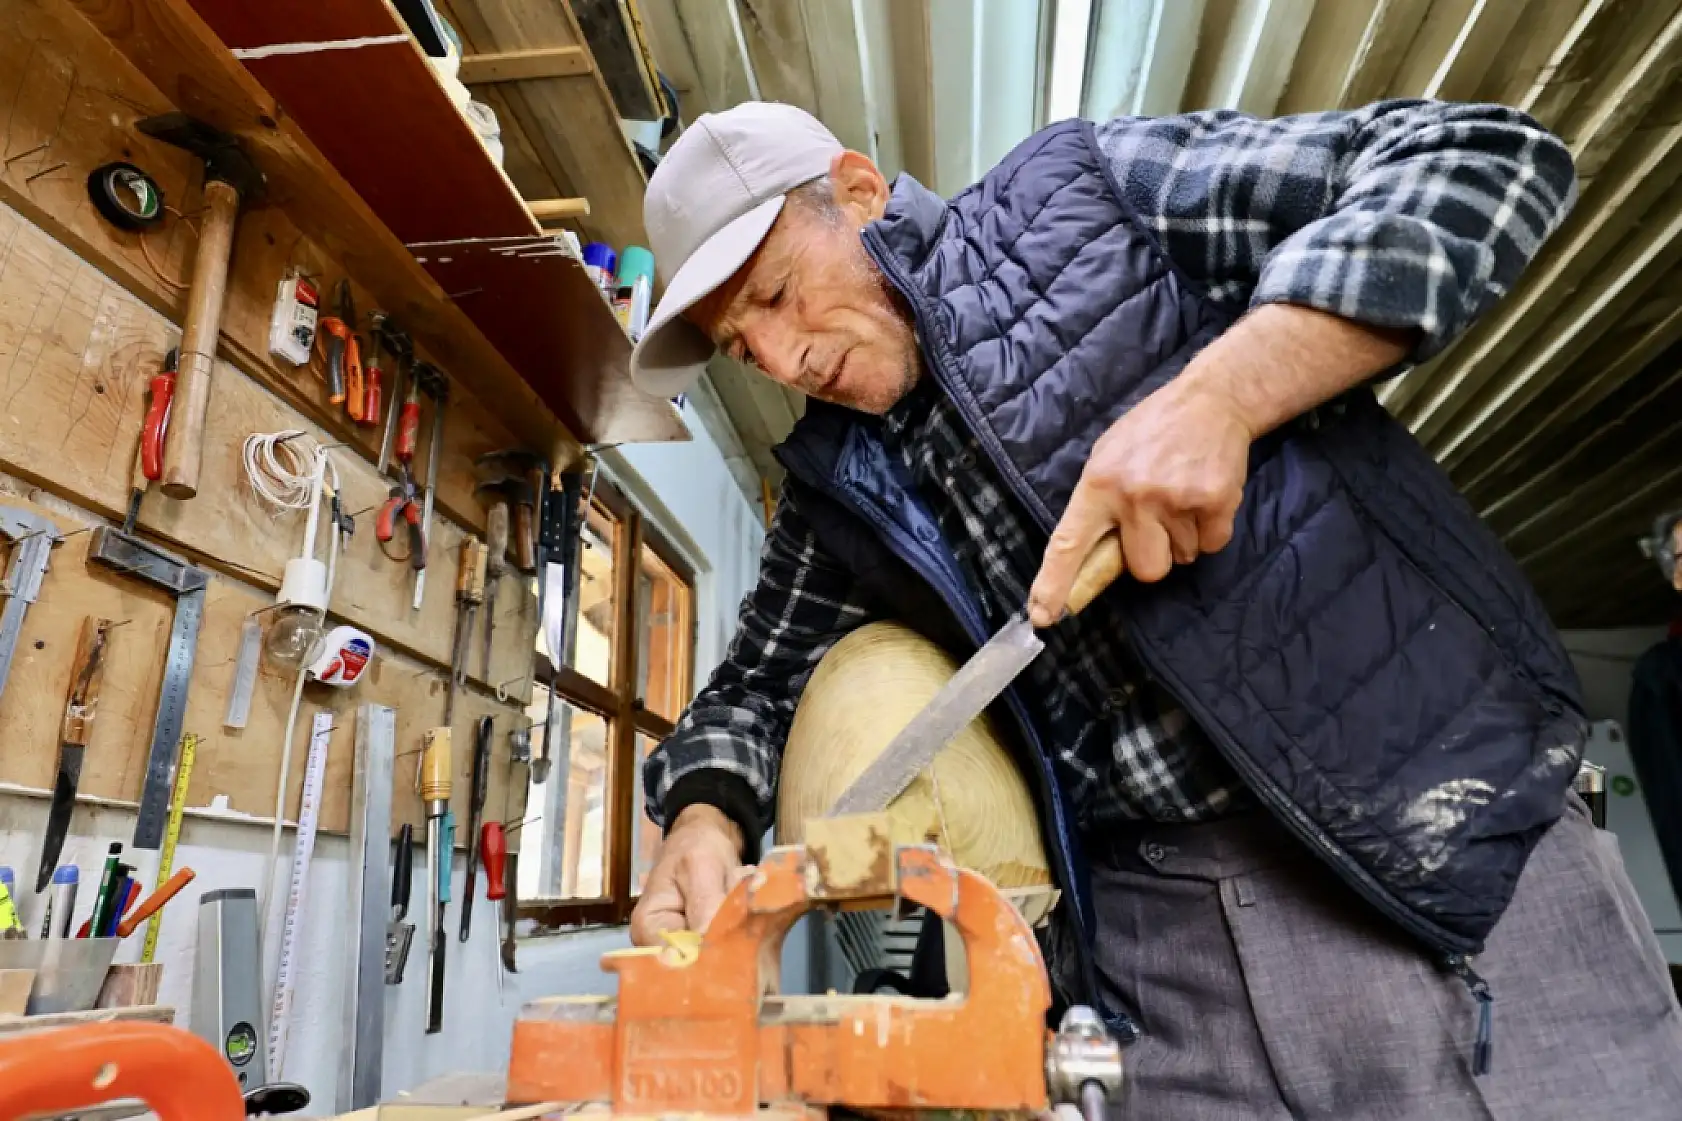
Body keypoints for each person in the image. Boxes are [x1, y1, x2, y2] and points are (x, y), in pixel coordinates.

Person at [624, 98, 1682, 1117]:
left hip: (1438, 862)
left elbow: (1478, 156)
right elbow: (753, 685)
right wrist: (703, 816)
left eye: (771, 294)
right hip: (1155, 965)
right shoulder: (838, 484)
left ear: (857, 192)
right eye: (737, 345)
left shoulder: (1079, 199)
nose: (776, 356)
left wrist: (1225, 394)